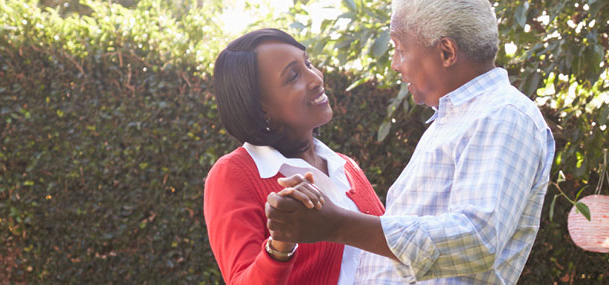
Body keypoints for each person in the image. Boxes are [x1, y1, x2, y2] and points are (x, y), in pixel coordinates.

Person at [262, 0, 556, 283]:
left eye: (400, 49)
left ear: (446, 52)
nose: (394, 64)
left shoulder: (503, 114)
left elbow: (478, 238)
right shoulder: (455, 119)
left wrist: (337, 224)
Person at [202, 28, 388, 284]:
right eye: (293, 76)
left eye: (309, 63)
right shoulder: (234, 175)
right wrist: (280, 244)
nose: (316, 79)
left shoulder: (346, 166)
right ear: (260, 106)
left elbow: (393, 248)